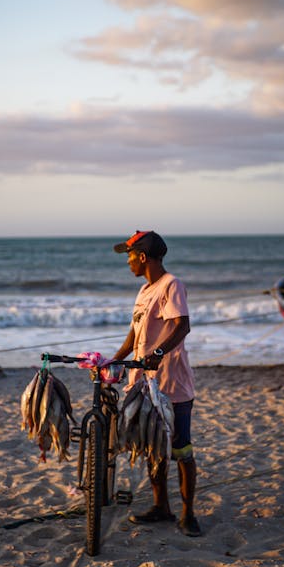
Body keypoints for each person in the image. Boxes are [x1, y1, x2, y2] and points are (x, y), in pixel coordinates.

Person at [111, 230, 201, 537]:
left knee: (181, 450)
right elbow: (134, 335)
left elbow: (182, 325)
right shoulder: (144, 291)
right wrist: (113, 359)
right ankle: (162, 506)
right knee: (153, 447)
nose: (127, 263)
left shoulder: (170, 285)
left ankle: (188, 514)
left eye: (129, 256)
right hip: (144, 385)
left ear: (143, 256)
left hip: (172, 384)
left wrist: (159, 353)